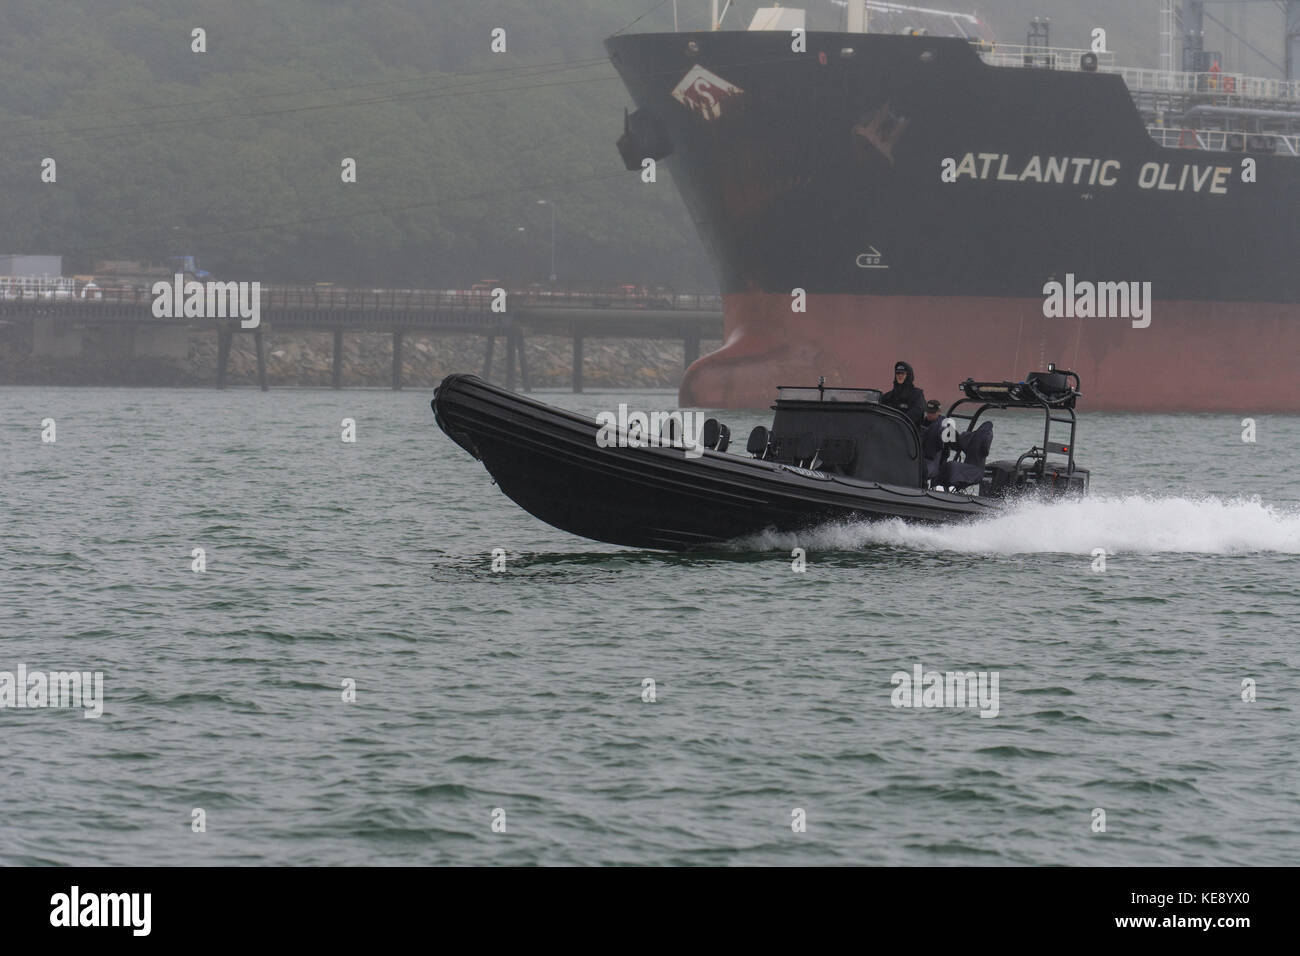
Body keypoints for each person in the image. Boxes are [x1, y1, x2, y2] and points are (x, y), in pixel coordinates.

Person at [882, 360, 925, 428]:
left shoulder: (917, 394)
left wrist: (899, 421)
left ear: (908, 375)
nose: (900, 376)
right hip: (888, 430)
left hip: (909, 433)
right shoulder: (889, 396)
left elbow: (917, 413)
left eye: (902, 373)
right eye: (898, 373)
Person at [920, 399, 948, 484]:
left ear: (939, 411)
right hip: (918, 458)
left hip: (932, 461)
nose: (929, 415)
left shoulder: (944, 427)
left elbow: (948, 450)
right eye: (928, 412)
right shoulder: (920, 423)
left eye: (932, 412)